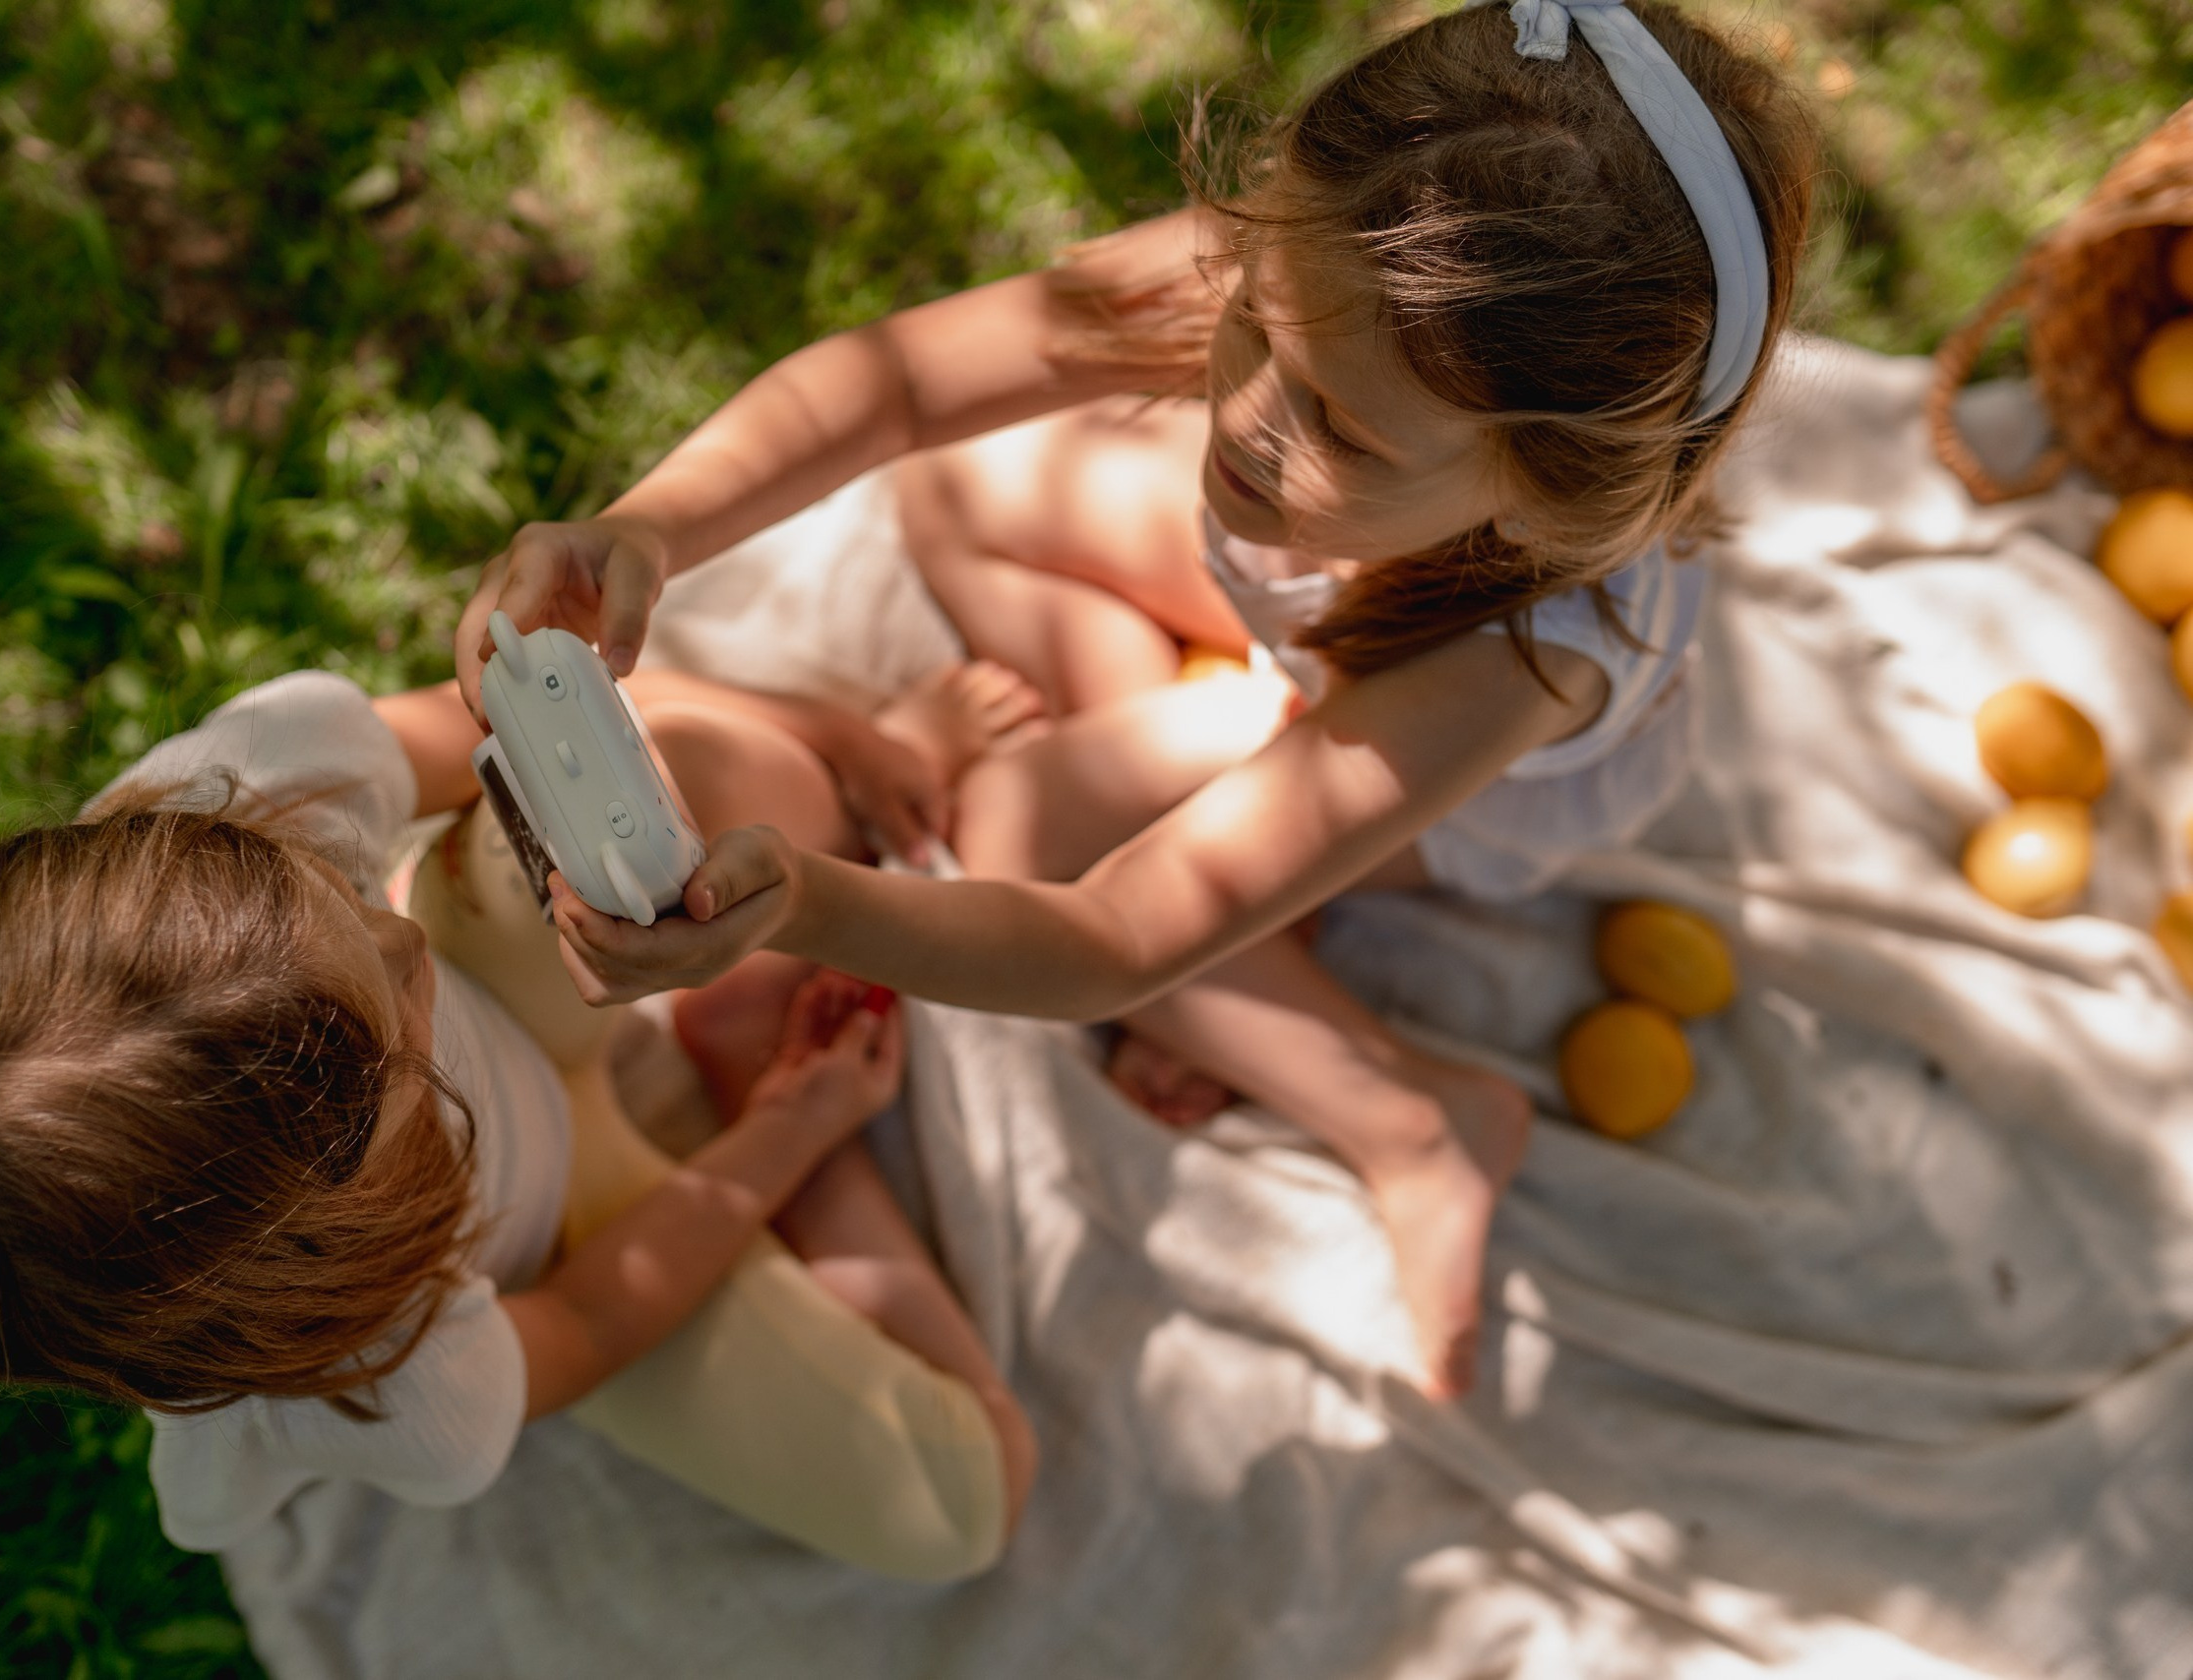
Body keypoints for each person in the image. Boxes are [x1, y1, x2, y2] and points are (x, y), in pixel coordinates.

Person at [454, 0, 1821, 1397]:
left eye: (1342, 430)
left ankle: (1409, 1118)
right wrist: (650, 530)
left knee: (1019, 821)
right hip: (1299, 633)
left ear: (1538, 500)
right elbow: (906, 386)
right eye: (1249, 326)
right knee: (950, 489)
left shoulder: (1516, 661)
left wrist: (801, 906)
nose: (1237, 423)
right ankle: (1186, 718)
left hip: (1411, 748)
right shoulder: (1335, 264)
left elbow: (1114, 935)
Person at [0, 662, 1038, 1582]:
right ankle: (732, 1073)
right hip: (568, 1226)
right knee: (959, 1496)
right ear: (327, 1246)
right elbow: (593, 1317)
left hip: (523, 970)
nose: (393, 922)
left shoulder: (210, 836)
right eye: (391, 1024)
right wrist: (789, 1138)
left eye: (327, 893)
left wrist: (821, 727)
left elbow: (471, 729)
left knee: (669, 779)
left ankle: (828, 773)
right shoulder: (373, 1374)